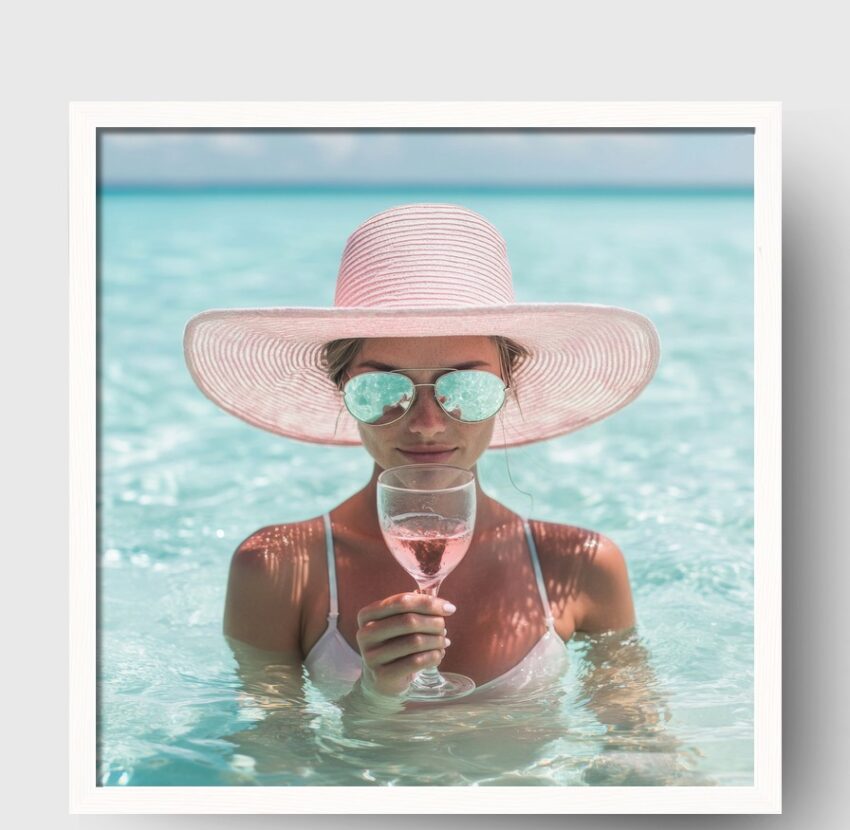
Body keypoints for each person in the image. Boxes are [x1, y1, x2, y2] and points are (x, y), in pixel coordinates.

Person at [184, 203, 661, 709]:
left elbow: (640, 741)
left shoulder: (580, 567)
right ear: (342, 388)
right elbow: (270, 763)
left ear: (507, 386)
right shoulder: (278, 568)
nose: (427, 422)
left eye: (468, 387)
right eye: (383, 387)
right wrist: (373, 699)